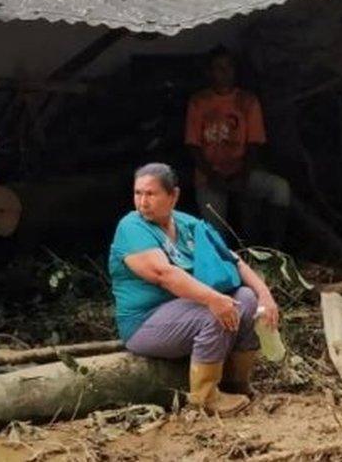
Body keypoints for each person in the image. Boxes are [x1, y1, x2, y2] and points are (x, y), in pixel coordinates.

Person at [108, 163, 281, 415]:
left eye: (150, 194)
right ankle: (205, 397)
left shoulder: (187, 224)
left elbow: (232, 260)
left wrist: (265, 295)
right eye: (138, 193)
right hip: (145, 322)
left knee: (246, 298)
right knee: (213, 311)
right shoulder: (131, 227)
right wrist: (214, 299)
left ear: (173, 196)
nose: (142, 202)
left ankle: (237, 383)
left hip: (184, 311)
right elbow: (163, 274)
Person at [185, 46, 291, 248]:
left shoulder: (247, 101)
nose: (224, 73)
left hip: (242, 172)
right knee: (215, 234)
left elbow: (254, 142)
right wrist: (212, 176)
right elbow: (193, 145)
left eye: (228, 67)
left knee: (280, 188)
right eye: (218, 68)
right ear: (209, 72)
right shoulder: (199, 102)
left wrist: (243, 175)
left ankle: (277, 248)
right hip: (209, 177)